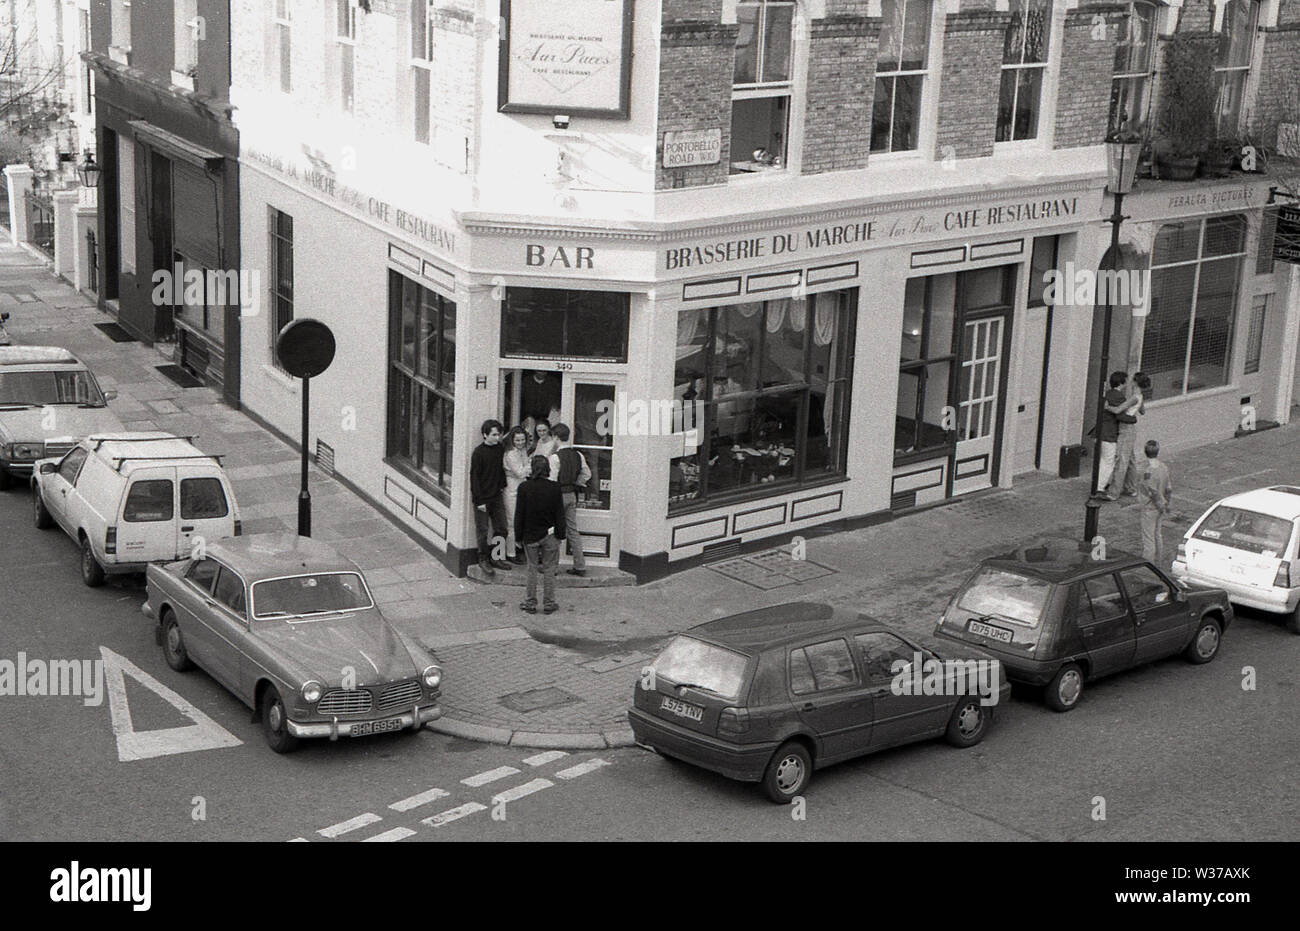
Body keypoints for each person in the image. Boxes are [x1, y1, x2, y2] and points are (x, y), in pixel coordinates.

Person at [513, 455, 566, 614]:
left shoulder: (524, 487)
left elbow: (519, 514)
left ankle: (530, 602)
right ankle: (549, 603)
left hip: (530, 535)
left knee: (532, 569)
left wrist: (518, 537)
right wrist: (560, 534)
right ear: (547, 469)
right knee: (549, 569)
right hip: (550, 534)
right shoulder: (555, 488)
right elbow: (560, 514)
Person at [469, 419, 513, 575]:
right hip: (483, 498)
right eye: (494, 434)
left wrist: (501, 486)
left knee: (501, 527)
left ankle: (497, 556)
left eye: (498, 434)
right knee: (483, 529)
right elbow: (474, 478)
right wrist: (479, 500)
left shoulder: (500, 449)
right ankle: (483, 559)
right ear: (485, 435)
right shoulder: (478, 453)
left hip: (496, 496)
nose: (497, 437)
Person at [548, 422, 590, 576]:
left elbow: (551, 480)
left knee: (554, 530)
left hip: (557, 495)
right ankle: (580, 566)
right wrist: (577, 482)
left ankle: (552, 567)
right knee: (572, 530)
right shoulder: (578, 455)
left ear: (555, 437)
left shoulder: (555, 458)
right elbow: (587, 474)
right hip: (571, 494)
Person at [1096, 371, 1139, 499]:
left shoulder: (1108, 394)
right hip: (1111, 433)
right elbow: (1120, 415)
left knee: (1127, 460)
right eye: (1126, 380)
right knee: (1109, 461)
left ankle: (1129, 487)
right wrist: (1133, 419)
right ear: (1122, 382)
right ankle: (1099, 487)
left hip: (1103, 431)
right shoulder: (1119, 397)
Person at [1106, 372, 1145, 499]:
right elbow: (1142, 411)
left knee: (1122, 460)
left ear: (1135, 382)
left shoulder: (1133, 397)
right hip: (1131, 429)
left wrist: (1107, 407)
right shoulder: (1140, 396)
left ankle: (1114, 492)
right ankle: (1131, 488)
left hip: (1125, 429)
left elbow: (1118, 410)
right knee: (1131, 460)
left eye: (1132, 380)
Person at [1139, 439, 1173, 566]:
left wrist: (1159, 504)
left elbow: (1152, 492)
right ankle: (1159, 560)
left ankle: (1148, 563)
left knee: (1148, 538)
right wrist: (1167, 504)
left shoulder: (1148, 471)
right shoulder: (1163, 467)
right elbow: (1169, 488)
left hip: (1150, 507)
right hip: (1162, 506)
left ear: (1145, 452)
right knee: (1157, 534)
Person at [502, 426, 532, 564]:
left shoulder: (522, 451)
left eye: (522, 440)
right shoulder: (511, 454)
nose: (520, 443)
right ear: (512, 440)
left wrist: (526, 468)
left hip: (521, 487)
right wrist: (529, 466)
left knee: (522, 519)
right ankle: (510, 552)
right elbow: (521, 472)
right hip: (512, 488)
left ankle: (518, 547)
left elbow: (524, 471)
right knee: (512, 521)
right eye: (517, 440)